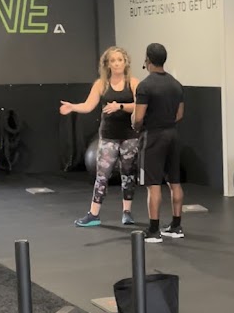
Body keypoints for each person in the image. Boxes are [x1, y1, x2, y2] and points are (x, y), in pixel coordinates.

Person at [59, 46, 140, 228]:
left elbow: (140, 105)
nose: (117, 64)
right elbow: (88, 105)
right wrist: (73, 107)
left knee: (128, 174)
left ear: (125, 62)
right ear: (107, 64)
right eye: (113, 61)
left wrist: (120, 106)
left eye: (120, 60)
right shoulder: (101, 84)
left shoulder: (133, 83)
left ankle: (127, 212)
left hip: (129, 136)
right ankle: (93, 214)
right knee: (102, 175)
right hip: (108, 136)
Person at [132, 43, 185, 243]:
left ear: (147, 60)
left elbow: (138, 118)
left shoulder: (145, 86)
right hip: (172, 134)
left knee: (153, 185)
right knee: (174, 182)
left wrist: (136, 125)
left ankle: (154, 230)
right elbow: (179, 114)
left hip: (153, 137)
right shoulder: (176, 84)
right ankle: (176, 226)